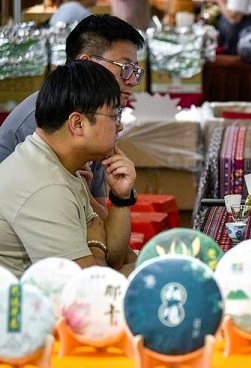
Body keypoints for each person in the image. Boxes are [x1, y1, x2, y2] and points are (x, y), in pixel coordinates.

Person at [0, 14, 144, 222]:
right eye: (125, 68)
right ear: (86, 63)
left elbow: (98, 215)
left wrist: (119, 197)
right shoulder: (42, 119)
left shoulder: (98, 119)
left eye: (136, 71)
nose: (132, 80)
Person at [0, 60, 136, 277]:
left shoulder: (61, 165)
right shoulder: (44, 184)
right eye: (113, 116)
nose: (119, 125)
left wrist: (121, 197)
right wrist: (102, 253)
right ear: (77, 124)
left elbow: (114, 255)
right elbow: (88, 289)